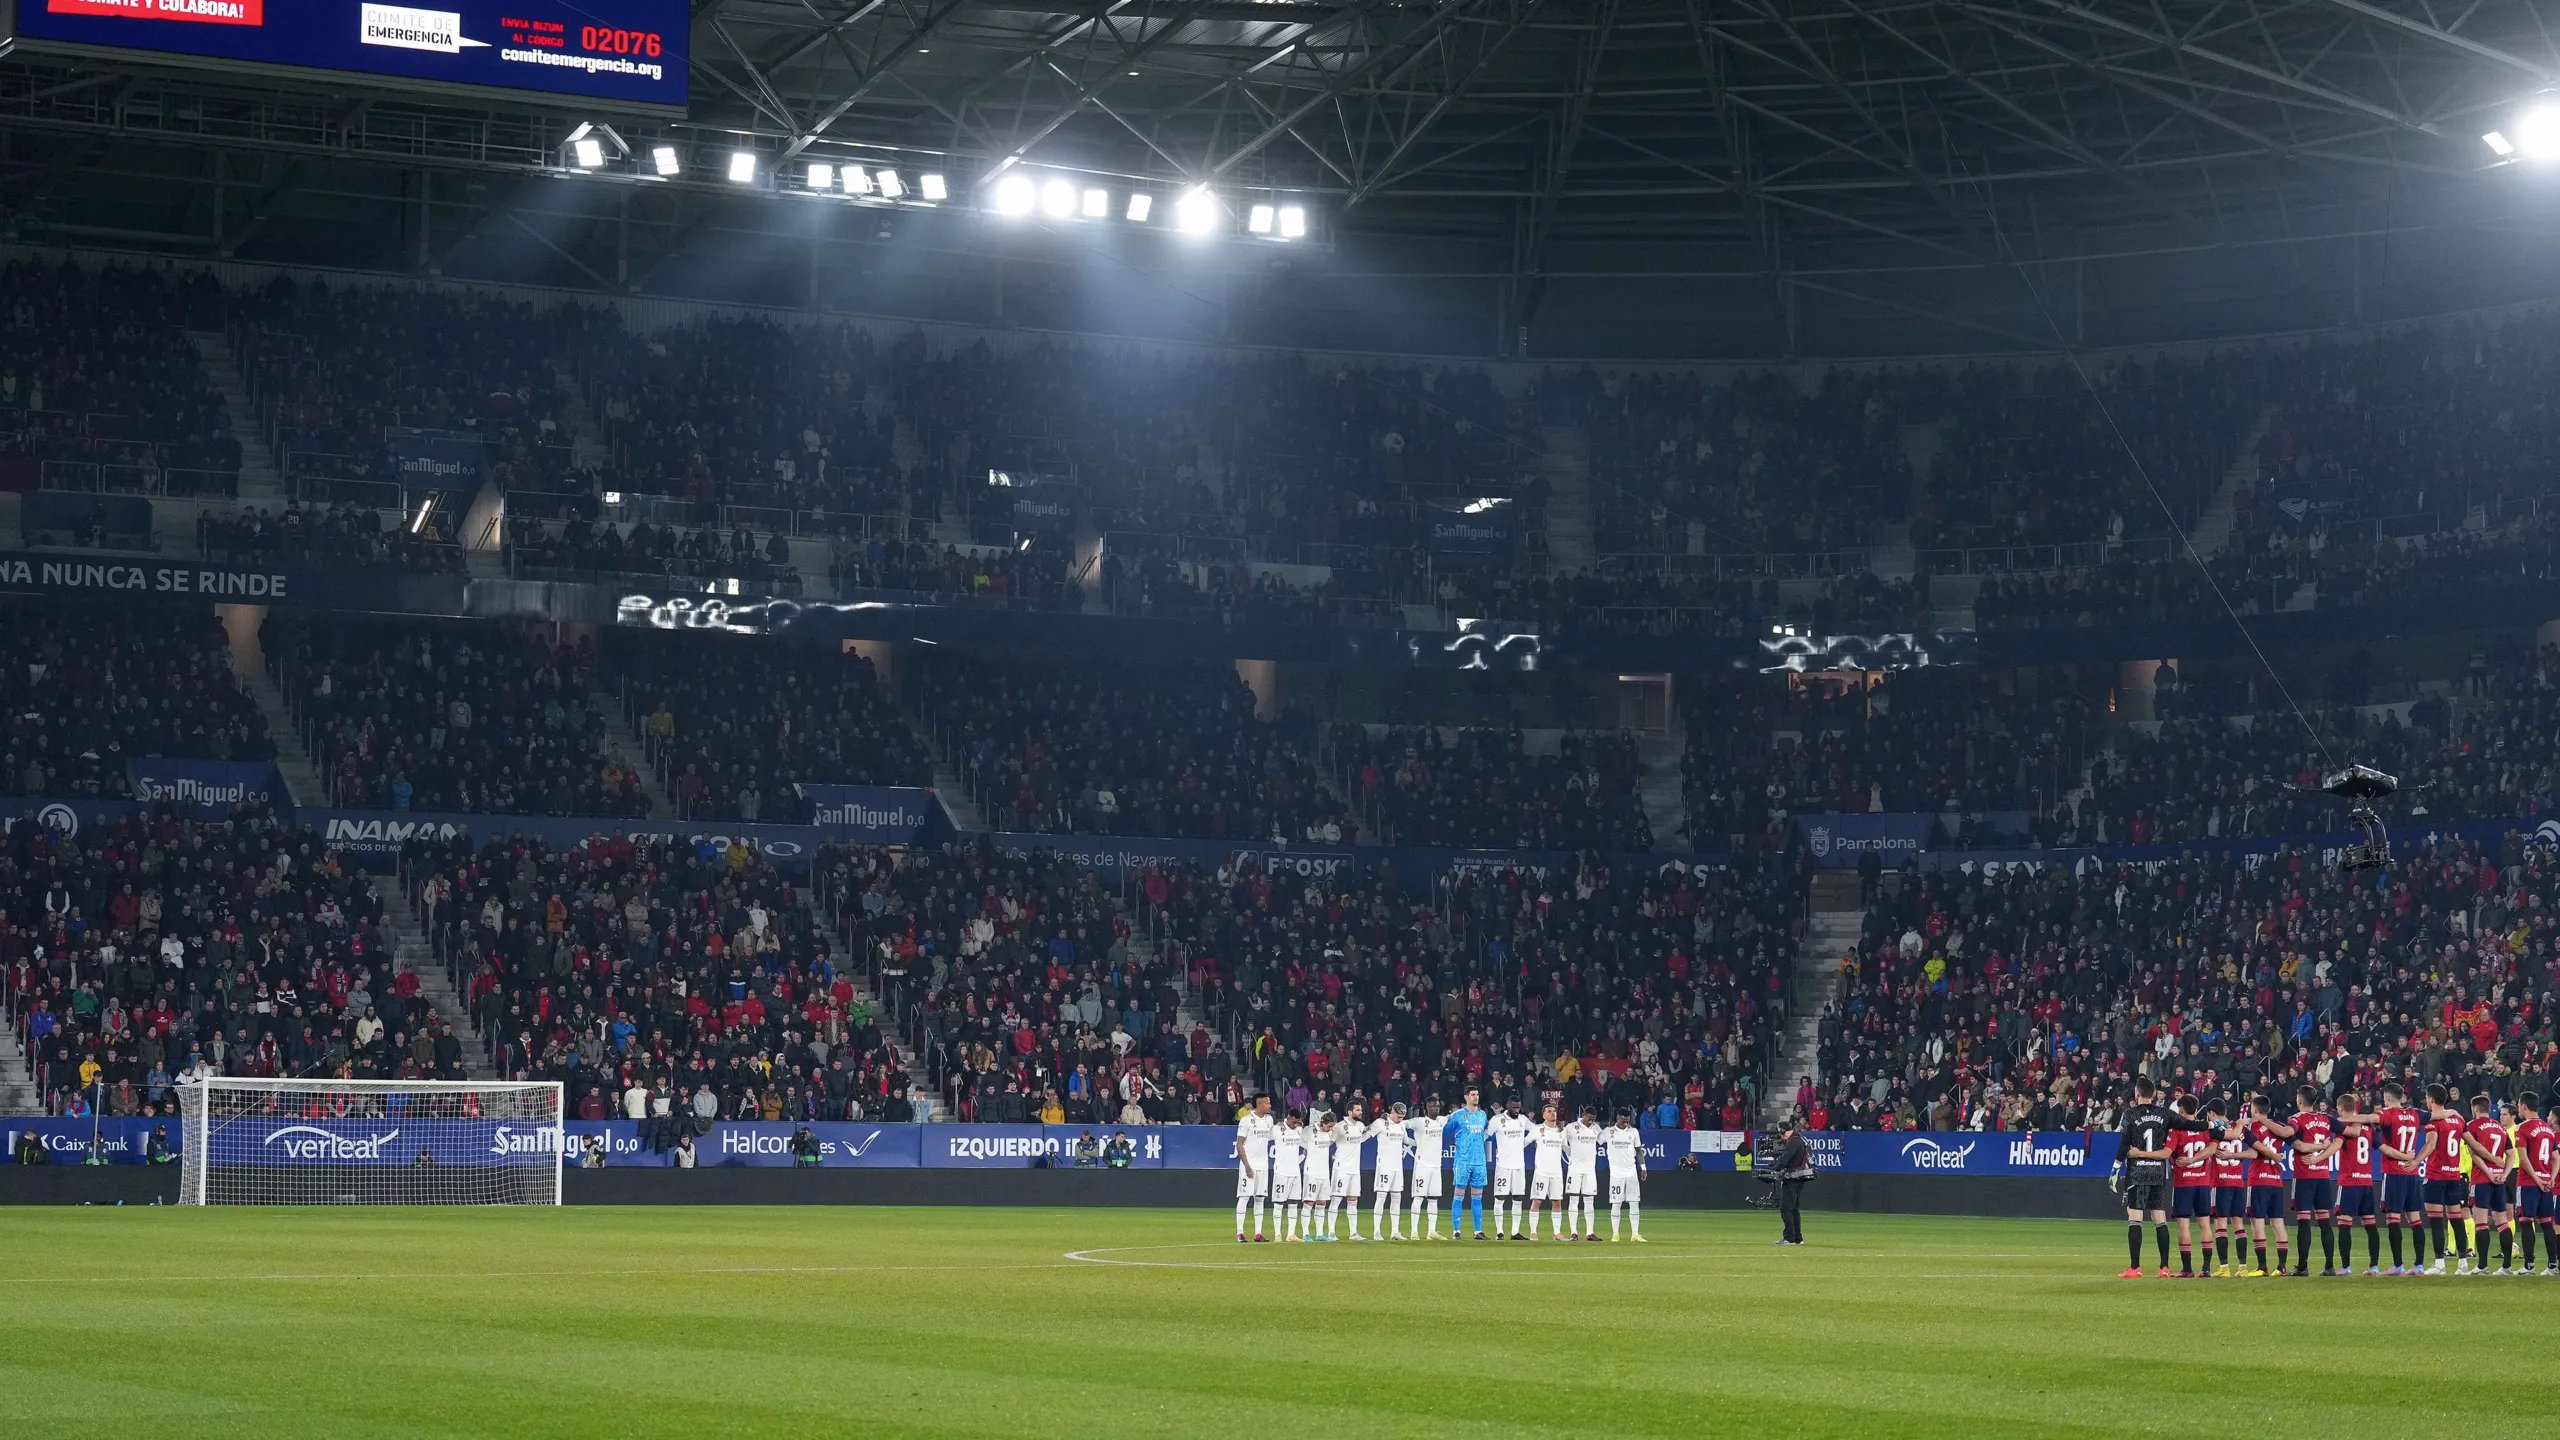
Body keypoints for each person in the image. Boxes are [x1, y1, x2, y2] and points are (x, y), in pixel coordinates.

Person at [2113, 1076, 2208, 1277]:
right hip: (2158, 1172)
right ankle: (2164, 1267)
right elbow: (2190, 1125)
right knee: (2159, 1217)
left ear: (2137, 1093)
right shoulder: (2165, 1113)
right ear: (2154, 1095)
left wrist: (2115, 1168)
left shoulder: (2129, 1114)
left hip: (2138, 1171)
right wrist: (2211, 1126)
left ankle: (2135, 1267)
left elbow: (2124, 1144)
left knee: (2135, 1217)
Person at [2374, 1082, 2428, 1274]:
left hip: (2394, 1173)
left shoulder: (2387, 1114)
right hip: (2412, 1173)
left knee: (2393, 1218)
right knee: (2415, 1219)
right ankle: (2419, 1265)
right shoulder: (2415, 1114)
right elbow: (2435, 1115)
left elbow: (2372, 1118)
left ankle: (2398, 1265)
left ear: (2387, 1099)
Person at [2286, 1085, 2339, 1276]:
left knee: (2304, 1222)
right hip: (2323, 1177)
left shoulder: (2296, 1119)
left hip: (2304, 1177)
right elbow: (2344, 1132)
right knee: (2325, 1222)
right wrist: (2325, 1147)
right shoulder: (2326, 1119)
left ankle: (2302, 1266)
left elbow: (2293, 1139)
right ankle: (2330, 1266)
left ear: (2300, 1100)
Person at [2420, 1085, 2471, 1273]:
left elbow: (2431, 1144)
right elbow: (2471, 1143)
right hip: (2453, 1175)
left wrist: (2416, 1160)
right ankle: (2463, 1263)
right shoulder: (2457, 1119)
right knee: (2456, 1219)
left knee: (2435, 1221)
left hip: (2436, 1175)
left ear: (2431, 1099)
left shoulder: (2432, 1121)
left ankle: (2440, 1264)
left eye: (2427, 1098)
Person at [2464, 1092, 2515, 1274]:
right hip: (2499, 1179)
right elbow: (2511, 1154)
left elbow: (2474, 1154)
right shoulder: (2500, 1128)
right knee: (2502, 1221)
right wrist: (2503, 1173)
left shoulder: (2472, 1126)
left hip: (2481, 1178)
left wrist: (2489, 1173)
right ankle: (2507, 1266)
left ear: (2475, 1109)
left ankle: (2482, 1265)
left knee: (2481, 1222)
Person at [2167, 1096, 2216, 1276]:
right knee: (2205, 1225)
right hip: (2203, 1184)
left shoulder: (2177, 1130)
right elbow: (2212, 1149)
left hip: (2183, 1184)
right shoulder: (2206, 1129)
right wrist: (2196, 1159)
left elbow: (2168, 1151)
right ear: (2196, 1110)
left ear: (2181, 1111)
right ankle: (2206, 1268)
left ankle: (2187, 1269)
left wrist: (2188, 1160)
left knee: (2184, 1227)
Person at [2510, 1092, 2556, 1275]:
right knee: (2546, 1223)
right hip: (2546, 1182)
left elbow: (2523, 1159)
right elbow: (2557, 1157)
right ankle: (2552, 1265)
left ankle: (2529, 1265)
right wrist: (2550, 1178)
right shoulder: (2547, 1128)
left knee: (2526, 1222)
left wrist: (2537, 1180)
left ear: (2523, 1106)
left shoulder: (2522, 1128)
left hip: (2529, 1182)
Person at [1444, 1087, 1493, 1239]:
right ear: (1466, 1097)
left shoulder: (1483, 1115)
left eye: (1477, 1094)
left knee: (1477, 1197)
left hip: (1479, 1161)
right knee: (1459, 1195)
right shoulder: (1457, 1116)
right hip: (1463, 1161)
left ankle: (1478, 1231)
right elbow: (1445, 1132)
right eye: (1472, 1095)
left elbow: (1484, 1132)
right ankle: (1456, 1230)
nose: (1475, 1097)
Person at [1488, 1096, 1533, 1239]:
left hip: (1519, 1165)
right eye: (1513, 1107)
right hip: (1503, 1165)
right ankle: (1499, 1231)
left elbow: (1536, 1131)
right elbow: (1485, 1135)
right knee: (1500, 1198)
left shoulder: (1523, 1119)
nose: (1516, 1110)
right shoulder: (1497, 1120)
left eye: (1518, 1107)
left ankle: (1515, 1232)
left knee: (1518, 1198)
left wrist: (1524, 1143)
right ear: (1507, 1106)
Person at [1233, 1094, 1274, 1243]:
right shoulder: (1246, 1121)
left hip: (1263, 1166)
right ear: (1260, 1104)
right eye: (1267, 1103)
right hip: (1248, 1166)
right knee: (1244, 1197)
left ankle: (1258, 1233)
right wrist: (1247, 1166)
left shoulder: (1269, 1120)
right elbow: (1239, 1144)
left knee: (1259, 1199)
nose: (1270, 1106)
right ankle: (1240, 1233)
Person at [1406, 1096, 1446, 1240]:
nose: (1436, 1108)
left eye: (1437, 1106)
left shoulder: (1442, 1121)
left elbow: (1455, 1115)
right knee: (1418, 1198)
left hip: (1436, 1167)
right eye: (1433, 1106)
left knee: (1433, 1199)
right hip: (1422, 1166)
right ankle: (1414, 1232)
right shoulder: (1419, 1122)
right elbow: (1401, 1124)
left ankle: (1431, 1232)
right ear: (1426, 1108)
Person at [1529, 1103, 1569, 1240]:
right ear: (1544, 1115)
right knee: (1537, 1201)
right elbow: (1524, 1142)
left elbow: (1565, 1148)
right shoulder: (1537, 1129)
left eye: (1554, 1111)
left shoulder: (1561, 1131)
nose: (1553, 1113)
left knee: (1557, 1202)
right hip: (1541, 1171)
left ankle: (1557, 1232)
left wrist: (1575, 1157)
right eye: (1549, 1111)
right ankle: (1533, 1232)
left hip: (1556, 1172)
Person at [1604, 1111, 1646, 1242]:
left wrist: (1643, 1167)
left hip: (1631, 1173)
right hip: (1616, 1174)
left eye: (1628, 1121)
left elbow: (1638, 1151)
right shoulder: (1608, 1132)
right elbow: (1594, 1139)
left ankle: (1635, 1234)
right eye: (1623, 1121)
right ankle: (1615, 1234)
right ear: (1617, 1118)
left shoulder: (1633, 1132)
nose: (1626, 1123)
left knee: (1634, 1203)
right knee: (1616, 1203)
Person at [1370, 1101, 1409, 1240]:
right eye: (1399, 1117)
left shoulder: (1402, 1125)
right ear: (1392, 1112)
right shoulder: (1380, 1123)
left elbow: (1407, 1141)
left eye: (1402, 1117)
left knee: (1396, 1198)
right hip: (1384, 1166)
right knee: (1381, 1198)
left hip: (1398, 1167)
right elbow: (1365, 1135)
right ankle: (1376, 1232)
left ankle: (1395, 1232)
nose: (1401, 1119)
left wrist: (1422, 1143)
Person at [1565, 1106, 1603, 1242]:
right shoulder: (1571, 1127)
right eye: (1589, 1119)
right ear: (1583, 1115)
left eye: (1593, 1119)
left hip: (1590, 1170)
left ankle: (1590, 1233)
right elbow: (1562, 1142)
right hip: (1575, 1169)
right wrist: (1571, 1154)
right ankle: (1573, 1232)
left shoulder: (1596, 1128)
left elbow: (1604, 1139)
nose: (1591, 1122)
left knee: (1589, 1200)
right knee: (1574, 1200)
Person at [1773, 1116, 1813, 1245]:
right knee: (1794, 1208)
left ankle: (1789, 1237)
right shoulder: (1800, 1138)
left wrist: (1775, 1168)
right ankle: (1797, 1238)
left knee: (1786, 1208)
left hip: (1792, 1178)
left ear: (1783, 1131)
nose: (1781, 1137)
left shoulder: (1794, 1141)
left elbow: (1786, 1158)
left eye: (1781, 1133)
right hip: (1799, 1177)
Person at [1331, 1101, 1367, 1240]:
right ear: (1350, 1112)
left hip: (1354, 1170)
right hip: (1341, 1169)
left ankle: (1353, 1233)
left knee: (1353, 1200)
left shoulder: (1360, 1126)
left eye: (1360, 1110)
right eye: (1357, 1110)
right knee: (1336, 1199)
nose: (1360, 1112)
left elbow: (1362, 1138)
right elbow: (1329, 1141)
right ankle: (1331, 1233)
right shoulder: (1340, 1127)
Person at [1271, 1110, 1307, 1241]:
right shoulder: (1277, 1129)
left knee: (1294, 1203)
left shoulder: (1299, 1130)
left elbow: (1303, 1146)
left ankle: (1291, 1234)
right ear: (1289, 1118)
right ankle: (1277, 1234)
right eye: (1294, 1122)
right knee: (1279, 1203)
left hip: (1295, 1172)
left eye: (1298, 1122)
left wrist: (1303, 1155)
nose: (1296, 1124)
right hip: (1281, 1171)